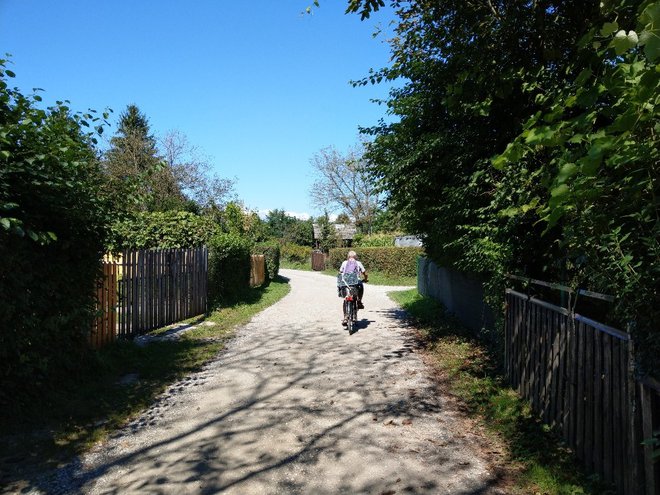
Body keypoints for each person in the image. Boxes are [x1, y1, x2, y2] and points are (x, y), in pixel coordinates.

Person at [339, 251, 368, 325]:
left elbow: (340, 272)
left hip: (346, 283)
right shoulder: (358, 263)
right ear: (355, 257)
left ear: (348, 256)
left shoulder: (344, 263)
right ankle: (359, 301)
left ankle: (345, 317)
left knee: (346, 299)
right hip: (355, 283)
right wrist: (365, 278)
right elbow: (365, 273)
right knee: (359, 290)